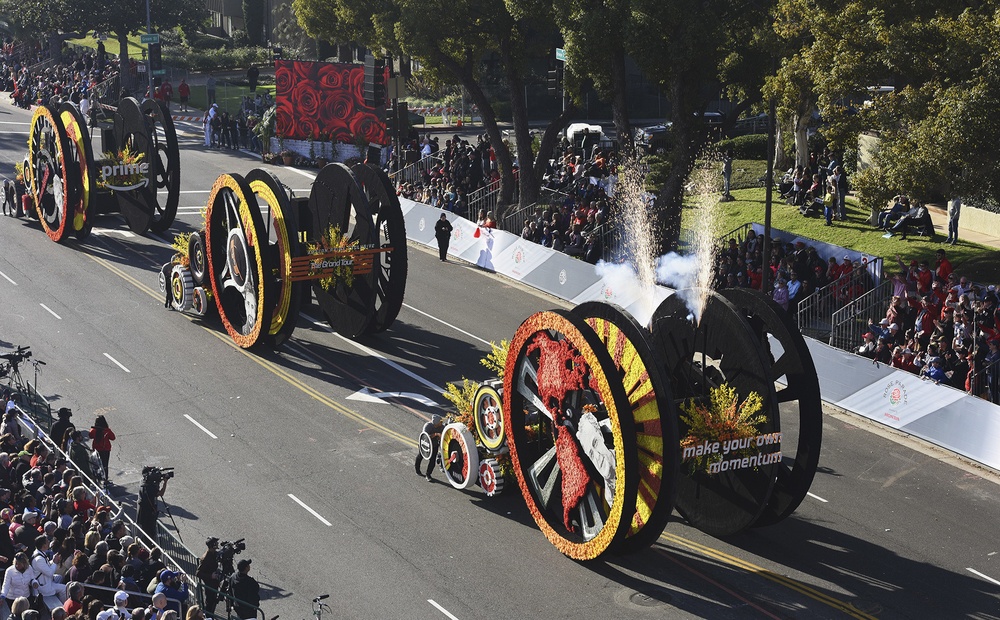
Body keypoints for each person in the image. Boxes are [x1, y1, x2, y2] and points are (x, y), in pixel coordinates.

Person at [195, 538, 220, 614]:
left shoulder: (214, 553)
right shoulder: (206, 558)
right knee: (210, 602)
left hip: (214, 582)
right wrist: (210, 576)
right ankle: (208, 615)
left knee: (213, 600)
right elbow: (198, 573)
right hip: (209, 584)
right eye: (216, 543)